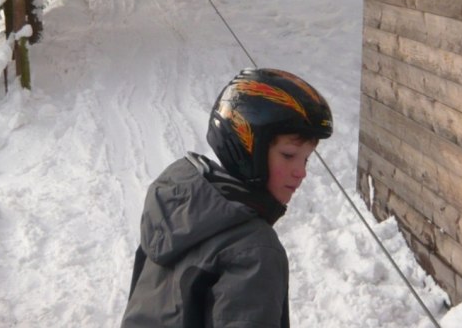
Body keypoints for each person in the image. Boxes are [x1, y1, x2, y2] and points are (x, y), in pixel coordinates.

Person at [120, 68, 333, 328]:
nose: (301, 172)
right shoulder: (254, 250)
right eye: (289, 155)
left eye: (306, 158)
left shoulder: (176, 203)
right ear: (246, 148)